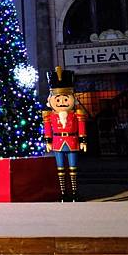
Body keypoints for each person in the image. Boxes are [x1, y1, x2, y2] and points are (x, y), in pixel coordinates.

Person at [42, 66, 87, 201]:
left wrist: (83, 140)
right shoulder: (50, 116)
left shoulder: (76, 114)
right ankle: (63, 193)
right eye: (58, 100)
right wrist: (48, 141)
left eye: (65, 99)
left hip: (72, 141)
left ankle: (74, 192)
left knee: (73, 169)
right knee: (60, 169)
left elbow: (82, 126)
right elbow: (48, 129)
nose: (61, 103)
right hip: (57, 143)